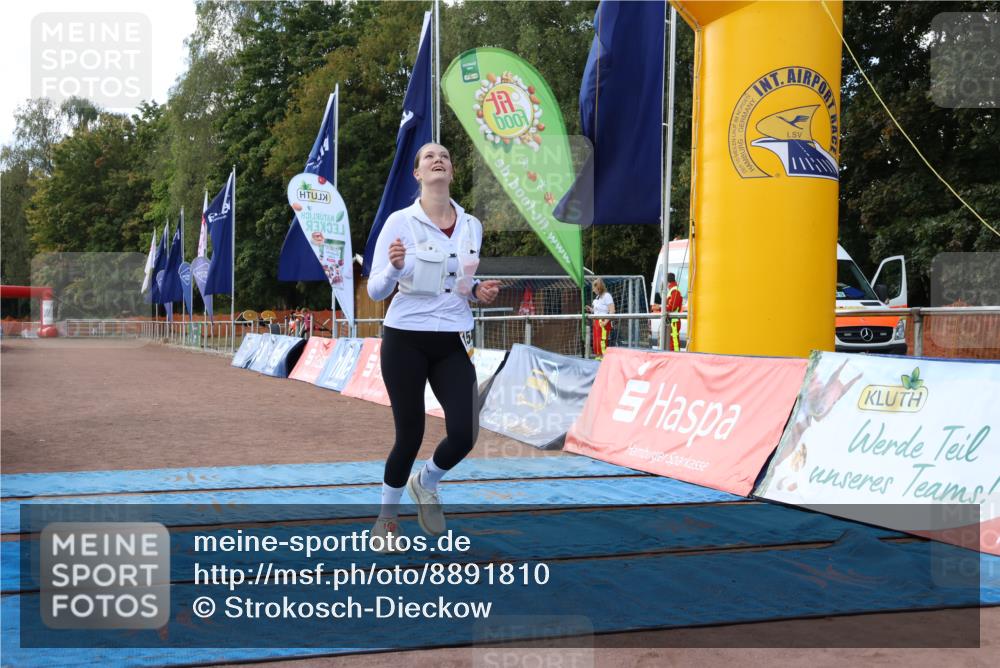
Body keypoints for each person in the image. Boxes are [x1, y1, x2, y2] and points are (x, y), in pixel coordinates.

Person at [367, 142, 501, 552]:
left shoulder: (472, 225)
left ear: (451, 172)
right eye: (428, 157)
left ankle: (425, 483)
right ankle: (386, 520)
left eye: (444, 156)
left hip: (450, 340)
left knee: (465, 432)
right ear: (418, 174)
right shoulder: (399, 222)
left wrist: (477, 291)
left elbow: (461, 284)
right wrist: (394, 268)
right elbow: (375, 291)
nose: (437, 159)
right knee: (410, 435)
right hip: (404, 339)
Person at [586, 277, 615, 359]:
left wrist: (605, 322)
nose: (593, 290)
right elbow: (597, 311)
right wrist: (591, 309)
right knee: (596, 341)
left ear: (598, 287)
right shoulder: (597, 297)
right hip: (596, 322)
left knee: (602, 341)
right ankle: (598, 357)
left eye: (594, 288)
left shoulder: (607, 296)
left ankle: (603, 358)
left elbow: (612, 311)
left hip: (603, 321)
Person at [665, 272, 683, 351]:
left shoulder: (674, 290)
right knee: (673, 342)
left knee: (674, 342)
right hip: (673, 321)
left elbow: (671, 307)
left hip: (674, 321)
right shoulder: (674, 290)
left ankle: (675, 356)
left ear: (667, 282)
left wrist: (660, 308)